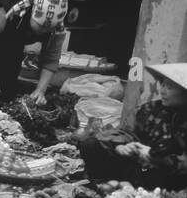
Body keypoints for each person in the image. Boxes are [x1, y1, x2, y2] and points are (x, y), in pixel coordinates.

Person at [0, 0, 80, 113]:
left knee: (8, 77)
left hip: (13, 36)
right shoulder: (4, 13)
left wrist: (40, 90)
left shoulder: (57, 29)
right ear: (33, 14)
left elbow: (51, 59)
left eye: (49, 28)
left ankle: (1, 113)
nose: (44, 31)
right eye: (41, 26)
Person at [78, 63, 187, 191]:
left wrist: (159, 159)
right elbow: (128, 132)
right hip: (139, 164)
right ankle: (102, 187)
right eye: (162, 84)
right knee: (92, 144)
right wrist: (121, 146)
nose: (162, 90)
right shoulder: (152, 109)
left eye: (169, 87)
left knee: (158, 176)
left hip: (167, 177)